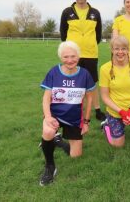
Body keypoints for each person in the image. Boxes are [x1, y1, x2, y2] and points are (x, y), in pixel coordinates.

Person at [39, 41, 95, 186]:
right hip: (55, 115)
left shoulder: (85, 74)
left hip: (74, 117)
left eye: (73, 56)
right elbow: (46, 97)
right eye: (65, 57)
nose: (69, 60)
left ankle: (59, 141)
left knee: (75, 155)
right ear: (60, 57)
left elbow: (90, 98)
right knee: (48, 131)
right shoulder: (53, 72)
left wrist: (86, 122)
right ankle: (50, 166)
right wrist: (48, 116)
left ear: (78, 56)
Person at [60, 0, 105, 121]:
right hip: (73, 56)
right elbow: (63, 34)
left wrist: (89, 45)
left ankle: (97, 110)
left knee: (92, 83)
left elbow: (98, 35)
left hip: (91, 54)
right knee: (74, 82)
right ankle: (74, 109)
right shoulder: (67, 12)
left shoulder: (95, 13)